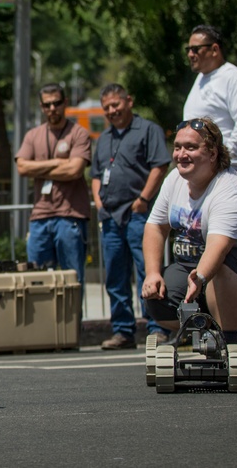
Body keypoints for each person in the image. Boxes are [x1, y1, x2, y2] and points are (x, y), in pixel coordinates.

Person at [141, 118, 237, 345]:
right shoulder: (174, 180)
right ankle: (202, 331)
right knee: (158, 296)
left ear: (213, 154)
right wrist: (152, 273)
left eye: (191, 147)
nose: (181, 154)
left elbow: (219, 246)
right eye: (178, 147)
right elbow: (156, 227)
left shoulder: (230, 189)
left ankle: (229, 341)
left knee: (222, 265)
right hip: (205, 270)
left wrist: (199, 278)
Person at [90, 84, 171, 350]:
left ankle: (157, 327)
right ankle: (123, 331)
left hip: (139, 215)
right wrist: (99, 201)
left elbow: (160, 165)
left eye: (116, 105)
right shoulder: (103, 139)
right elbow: (95, 175)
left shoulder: (148, 130)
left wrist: (143, 199)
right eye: (107, 108)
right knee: (115, 277)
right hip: (111, 216)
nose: (112, 111)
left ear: (129, 101)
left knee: (147, 272)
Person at [15, 83, 92, 284]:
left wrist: (38, 167)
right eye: (47, 105)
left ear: (65, 103)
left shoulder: (78, 133)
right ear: (41, 106)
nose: (52, 109)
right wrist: (58, 162)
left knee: (73, 279)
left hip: (71, 216)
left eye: (56, 103)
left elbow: (74, 170)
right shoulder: (33, 135)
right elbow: (22, 168)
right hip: (40, 216)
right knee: (36, 281)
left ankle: (74, 317)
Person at [182, 24, 237, 183]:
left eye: (196, 49)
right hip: (197, 173)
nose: (190, 54)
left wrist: (224, 154)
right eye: (188, 49)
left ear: (215, 49)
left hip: (222, 175)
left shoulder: (232, 77)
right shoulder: (201, 78)